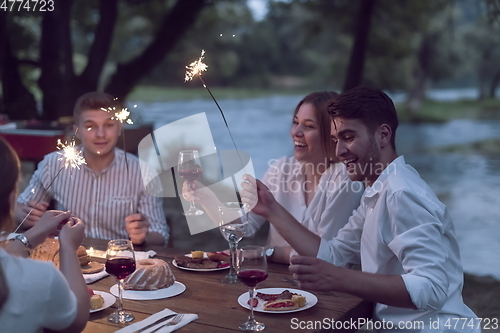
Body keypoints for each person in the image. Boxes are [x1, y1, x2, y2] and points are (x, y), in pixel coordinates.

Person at [241, 86, 478, 332]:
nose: (339, 151)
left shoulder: (401, 193)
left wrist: (339, 278)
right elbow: (334, 256)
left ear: (383, 135)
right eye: (335, 140)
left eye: (349, 137)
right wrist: (271, 209)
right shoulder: (377, 190)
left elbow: (433, 288)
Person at [183, 91, 363, 263]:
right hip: (276, 281)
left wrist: (266, 252)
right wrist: (207, 198)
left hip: (324, 288)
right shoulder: (281, 168)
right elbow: (244, 227)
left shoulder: (344, 180)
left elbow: (325, 257)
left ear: (331, 134)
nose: (296, 132)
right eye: (295, 122)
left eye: (309, 126)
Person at [14, 92, 169, 246]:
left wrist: (144, 236)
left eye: (109, 125)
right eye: (90, 126)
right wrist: (22, 214)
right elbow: (17, 210)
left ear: (119, 128)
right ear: (77, 131)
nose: (100, 134)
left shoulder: (142, 171)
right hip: (68, 258)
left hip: (118, 261)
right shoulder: (54, 164)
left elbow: (160, 234)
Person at [0, 137, 89, 332]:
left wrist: (31, 235)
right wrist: (67, 247)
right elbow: (78, 318)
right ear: (11, 197)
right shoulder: (40, 277)